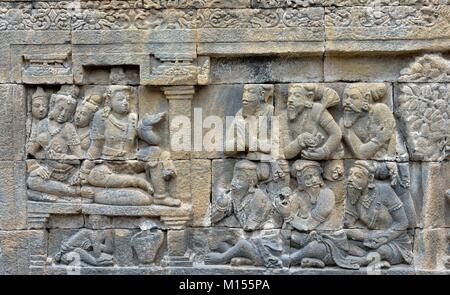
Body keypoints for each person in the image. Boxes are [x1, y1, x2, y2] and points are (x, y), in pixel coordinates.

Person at [344, 161, 413, 268]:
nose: (350, 179)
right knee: (340, 241)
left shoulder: (384, 190)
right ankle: (372, 259)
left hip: (394, 241)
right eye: (350, 175)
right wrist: (360, 235)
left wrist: (383, 238)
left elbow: (403, 222)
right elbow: (348, 223)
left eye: (357, 176)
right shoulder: (353, 193)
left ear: (370, 179)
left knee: (382, 250)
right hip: (369, 240)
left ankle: (363, 260)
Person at [282, 84, 343, 160]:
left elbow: (336, 133)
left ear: (309, 97)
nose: (290, 100)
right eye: (290, 95)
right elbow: (286, 153)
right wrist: (300, 140)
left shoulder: (316, 109)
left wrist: (324, 151)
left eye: (297, 96)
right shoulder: (284, 116)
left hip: (332, 157)